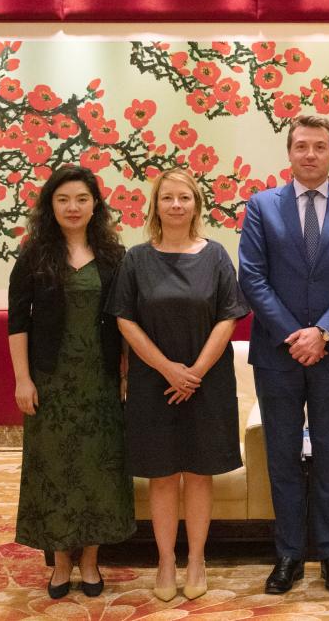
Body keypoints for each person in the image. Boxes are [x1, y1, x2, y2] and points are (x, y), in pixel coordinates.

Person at [238, 115, 329, 594]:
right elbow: (252, 277)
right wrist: (295, 335)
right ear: (290, 153)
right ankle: (289, 555)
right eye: (301, 146)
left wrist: (324, 333)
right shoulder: (261, 206)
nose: (310, 154)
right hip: (277, 355)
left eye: (319, 146)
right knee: (282, 458)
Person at [107, 168, 250, 602]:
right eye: (167, 197)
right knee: (163, 475)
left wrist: (195, 372)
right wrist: (169, 369)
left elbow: (228, 317)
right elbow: (125, 319)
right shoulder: (136, 259)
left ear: (196, 204)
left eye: (184, 197)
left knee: (200, 474)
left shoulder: (216, 255)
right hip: (154, 382)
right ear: (155, 205)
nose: (175, 205)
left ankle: (197, 559)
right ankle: (166, 560)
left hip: (207, 382)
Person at [8, 165, 135, 599]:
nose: (73, 207)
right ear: (51, 206)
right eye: (63, 199)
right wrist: (22, 379)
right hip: (51, 384)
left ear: (95, 204)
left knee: (99, 469)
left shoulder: (115, 256)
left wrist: (126, 373)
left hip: (100, 382)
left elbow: (125, 320)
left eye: (81, 198)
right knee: (54, 469)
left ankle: (91, 560)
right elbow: (17, 323)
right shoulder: (33, 256)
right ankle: (61, 561)